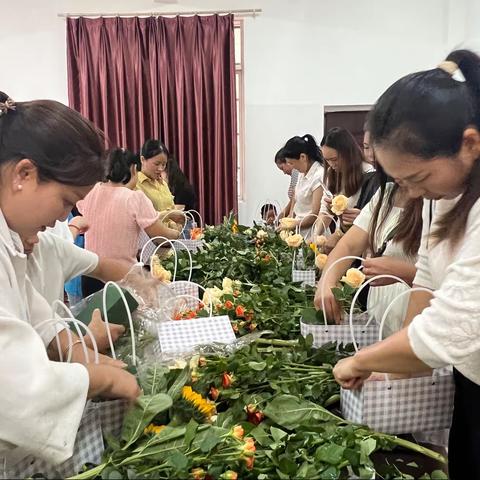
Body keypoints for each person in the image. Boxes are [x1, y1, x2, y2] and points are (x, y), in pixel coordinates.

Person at [332, 50, 480, 478]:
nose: (412, 195)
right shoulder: (445, 197)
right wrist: (390, 367)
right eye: (402, 183)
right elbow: (428, 284)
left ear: (470, 144)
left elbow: (443, 331)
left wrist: (362, 361)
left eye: (418, 179)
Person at [0, 91, 140, 467]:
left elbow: (38, 320)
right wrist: (103, 380)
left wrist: (86, 357)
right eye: (65, 200)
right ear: (23, 175)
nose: (65, 217)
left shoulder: (12, 237)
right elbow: (13, 389)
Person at [314, 164, 423, 336]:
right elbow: (348, 245)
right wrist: (326, 282)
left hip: (416, 310)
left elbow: (449, 282)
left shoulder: (440, 203)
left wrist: (403, 272)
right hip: (381, 310)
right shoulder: (386, 194)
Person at [78, 149, 180, 296]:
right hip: (122, 277)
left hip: (90, 274)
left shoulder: (91, 192)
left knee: (95, 317)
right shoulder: (135, 198)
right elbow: (160, 237)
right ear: (134, 169)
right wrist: (177, 233)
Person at [317, 127, 380, 251]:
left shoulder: (369, 175)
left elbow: (371, 217)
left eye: (334, 159)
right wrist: (316, 236)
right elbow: (324, 212)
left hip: (360, 244)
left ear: (348, 153)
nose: (331, 164)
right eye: (327, 160)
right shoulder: (332, 172)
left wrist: (339, 233)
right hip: (343, 241)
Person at [279, 134, 325, 239]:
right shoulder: (301, 174)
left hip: (313, 232)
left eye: (292, 163)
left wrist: (293, 224)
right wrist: (289, 219)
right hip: (299, 231)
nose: (292, 167)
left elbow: (315, 214)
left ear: (303, 157)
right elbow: (295, 202)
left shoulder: (319, 175)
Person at [137, 139, 185, 227]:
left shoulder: (163, 184)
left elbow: (172, 209)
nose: (160, 169)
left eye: (164, 164)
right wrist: (169, 214)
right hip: (150, 239)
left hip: (171, 236)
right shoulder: (136, 184)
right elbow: (142, 218)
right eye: (157, 164)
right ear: (142, 159)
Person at [274, 147, 299, 218]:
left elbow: (296, 201)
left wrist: (289, 218)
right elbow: (293, 200)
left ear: (288, 162)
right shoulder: (295, 175)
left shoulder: (296, 172)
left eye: (282, 168)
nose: (284, 172)